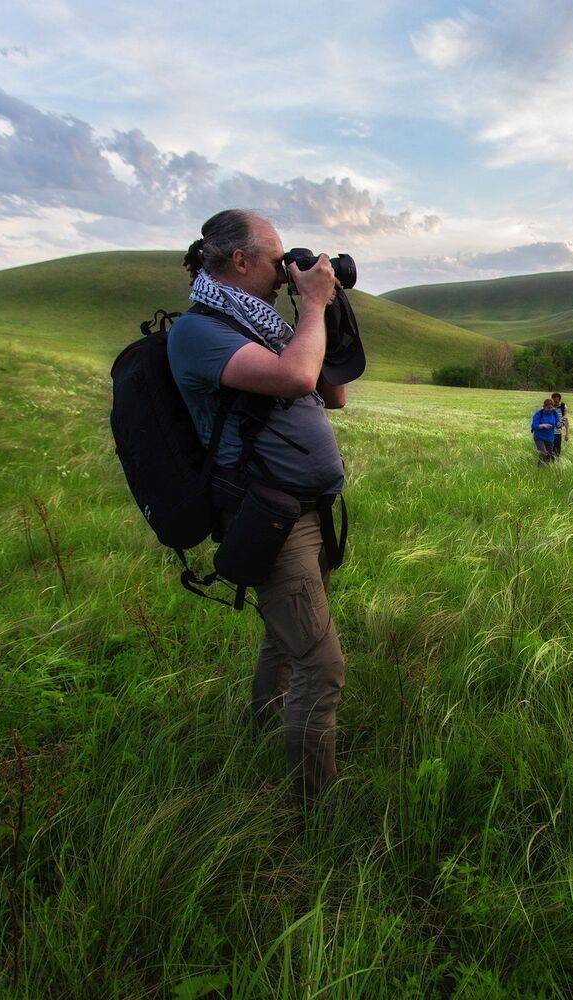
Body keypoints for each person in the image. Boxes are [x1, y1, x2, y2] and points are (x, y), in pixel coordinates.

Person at [166, 208, 348, 804]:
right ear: (239, 261)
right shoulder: (198, 332)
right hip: (266, 515)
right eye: (275, 258)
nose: (284, 268)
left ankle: (265, 731)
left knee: (283, 640)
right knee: (320, 665)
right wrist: (313, 307)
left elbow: (333, 390)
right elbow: (297, 378)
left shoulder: (262, 324)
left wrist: (328, 307)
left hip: (304, 510)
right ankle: (309, 810)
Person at [531, 397, 561, 463]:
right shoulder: (539, 413)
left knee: (549, 456)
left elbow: (557, 422)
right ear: (544, 406)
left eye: (551, 408)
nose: (550, 409)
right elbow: (534, 425)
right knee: (543, 453)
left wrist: (559, 424)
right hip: (539, 437)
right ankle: (539, 469)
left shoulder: (554, 413)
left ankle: (545, 470)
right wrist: (543, 425)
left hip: (550, 437)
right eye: (548, 408)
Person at [550, 391, 568, 456]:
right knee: (549, 450)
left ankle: (556, 465)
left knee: (557, 452)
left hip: (558, 433)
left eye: (556, 401)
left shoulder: (563, 406)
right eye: (554, 401)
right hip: (549, 433)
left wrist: (567, 434)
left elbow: (566, 420)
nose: (555, 403)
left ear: (559, 400)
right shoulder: (549, 406)